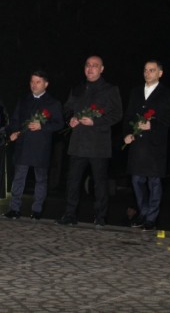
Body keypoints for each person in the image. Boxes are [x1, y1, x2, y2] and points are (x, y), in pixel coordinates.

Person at [56, 56, 122, 228]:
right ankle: (70, 215)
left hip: (98, 144)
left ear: (102, 69)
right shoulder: (78, 88)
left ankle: (100, 217)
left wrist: (95, 122)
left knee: (99, 182)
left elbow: (117, 115)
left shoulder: (110, 90)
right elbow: (67, 109)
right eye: (88, 65)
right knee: (73, 181)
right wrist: (71, 118)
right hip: (77, 143)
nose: (90, 68)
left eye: (95, 66)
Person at [3, 70, 64, 220]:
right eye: (32, 82)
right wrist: (14, 132)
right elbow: (16, 119)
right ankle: (14, 208)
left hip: (41, 146)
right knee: (19, 177)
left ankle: (37, 211)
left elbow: (59, 124)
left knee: (41, 179)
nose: (34, 85)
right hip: (23, 145)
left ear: (46, 84)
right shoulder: (24, 100)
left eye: (38, 82)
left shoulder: (53, 103)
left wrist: (43, 126)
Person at [122, 60, 170, 231]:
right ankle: (143, 212)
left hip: (155, 145)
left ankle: (151, 217)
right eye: (145, 70)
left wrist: (153, 125)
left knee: (154, 182)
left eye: (151, 70)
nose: (147, 73)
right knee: (136, 180)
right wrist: (127, 134)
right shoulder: (136, 92)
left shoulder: (167, 94)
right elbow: (129, 115)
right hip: (138, 145)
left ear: (160, 73)